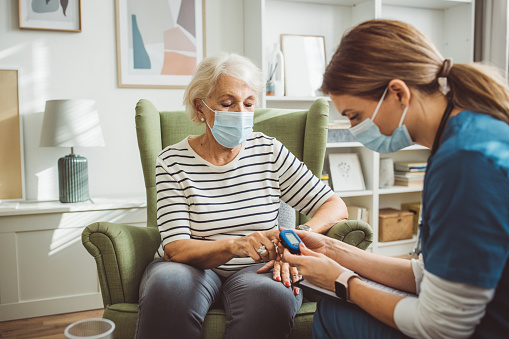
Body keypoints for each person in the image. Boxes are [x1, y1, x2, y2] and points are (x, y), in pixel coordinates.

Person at [282, 20, 509, 338]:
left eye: (354, 116)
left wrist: (342, 282)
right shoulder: (470, 134)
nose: (354, 129)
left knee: (335, 308)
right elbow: (433, 276)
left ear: (398, 93)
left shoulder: (464, 163)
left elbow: (441, 326)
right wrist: (336, 251)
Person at [135, 52, 348, 339]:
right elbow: (177, 249)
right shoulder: (172, 161)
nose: (240, 113)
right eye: (227, 103)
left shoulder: (269, 152)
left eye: (248, 104)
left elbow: (333, 204)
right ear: (201, 108)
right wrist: (234, 246)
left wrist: (297, 237)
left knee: (271, 295)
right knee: (169, 286)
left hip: (257, 268)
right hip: (190, 266)